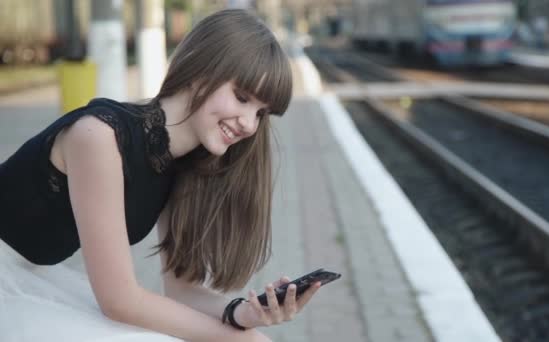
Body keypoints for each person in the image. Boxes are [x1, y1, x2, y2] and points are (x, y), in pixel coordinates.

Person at [0, 9, 320, 342]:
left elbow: (182, 293)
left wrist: (243, 314)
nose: (249, 124)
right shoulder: (99, 136)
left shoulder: (183, 164)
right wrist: (238, 339)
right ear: (200, 70)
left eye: (261, 113)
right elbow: (120, 301)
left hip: (29, 275)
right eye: (241, 98)